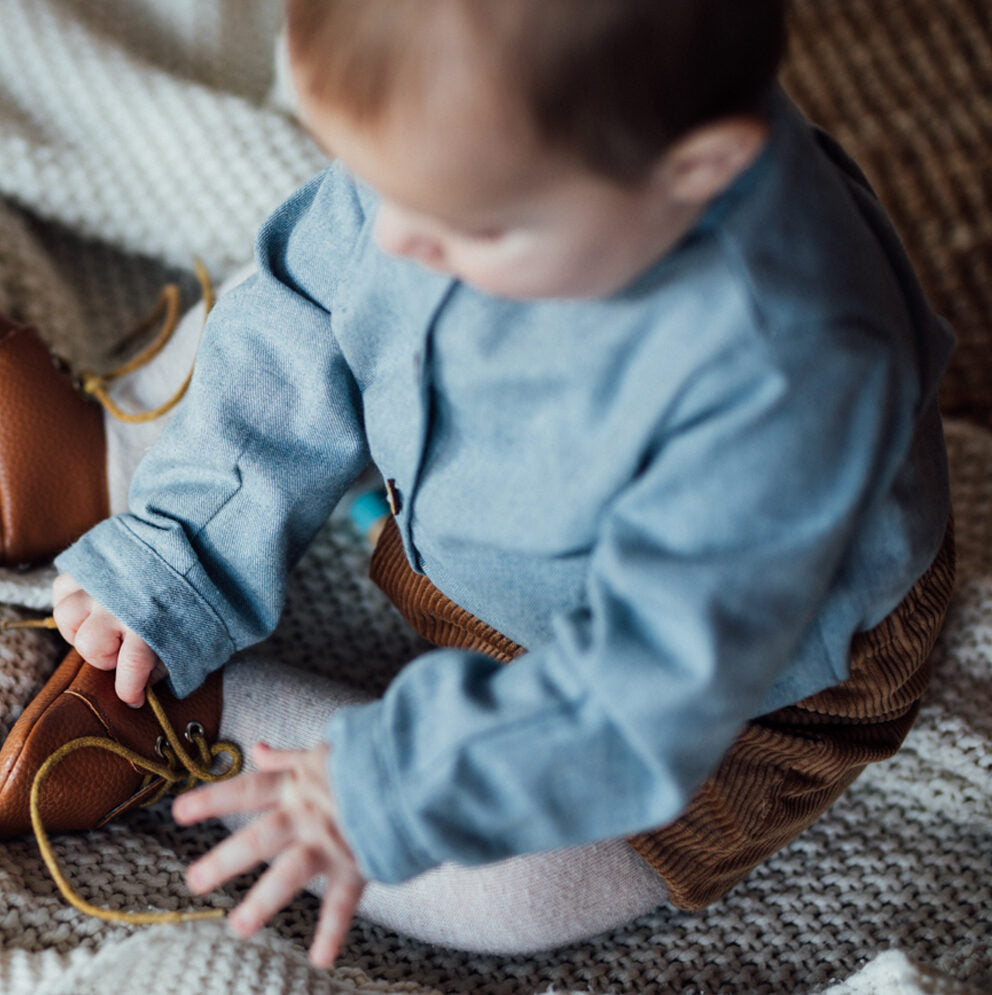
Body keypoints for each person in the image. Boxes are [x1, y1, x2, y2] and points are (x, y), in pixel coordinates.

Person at [43, 0, 954, 968]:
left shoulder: (784, 376)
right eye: (374, 185)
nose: (394, 243)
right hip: (461, 494)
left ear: (693, 171)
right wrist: (181, 537)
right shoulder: (486, 167)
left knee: (519, 887)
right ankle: (138, 483)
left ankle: (235, 732)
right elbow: (311, 293)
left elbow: (630, 698)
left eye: (461, 227)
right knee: (280, 303)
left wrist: (388, 788)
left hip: (721, 686)